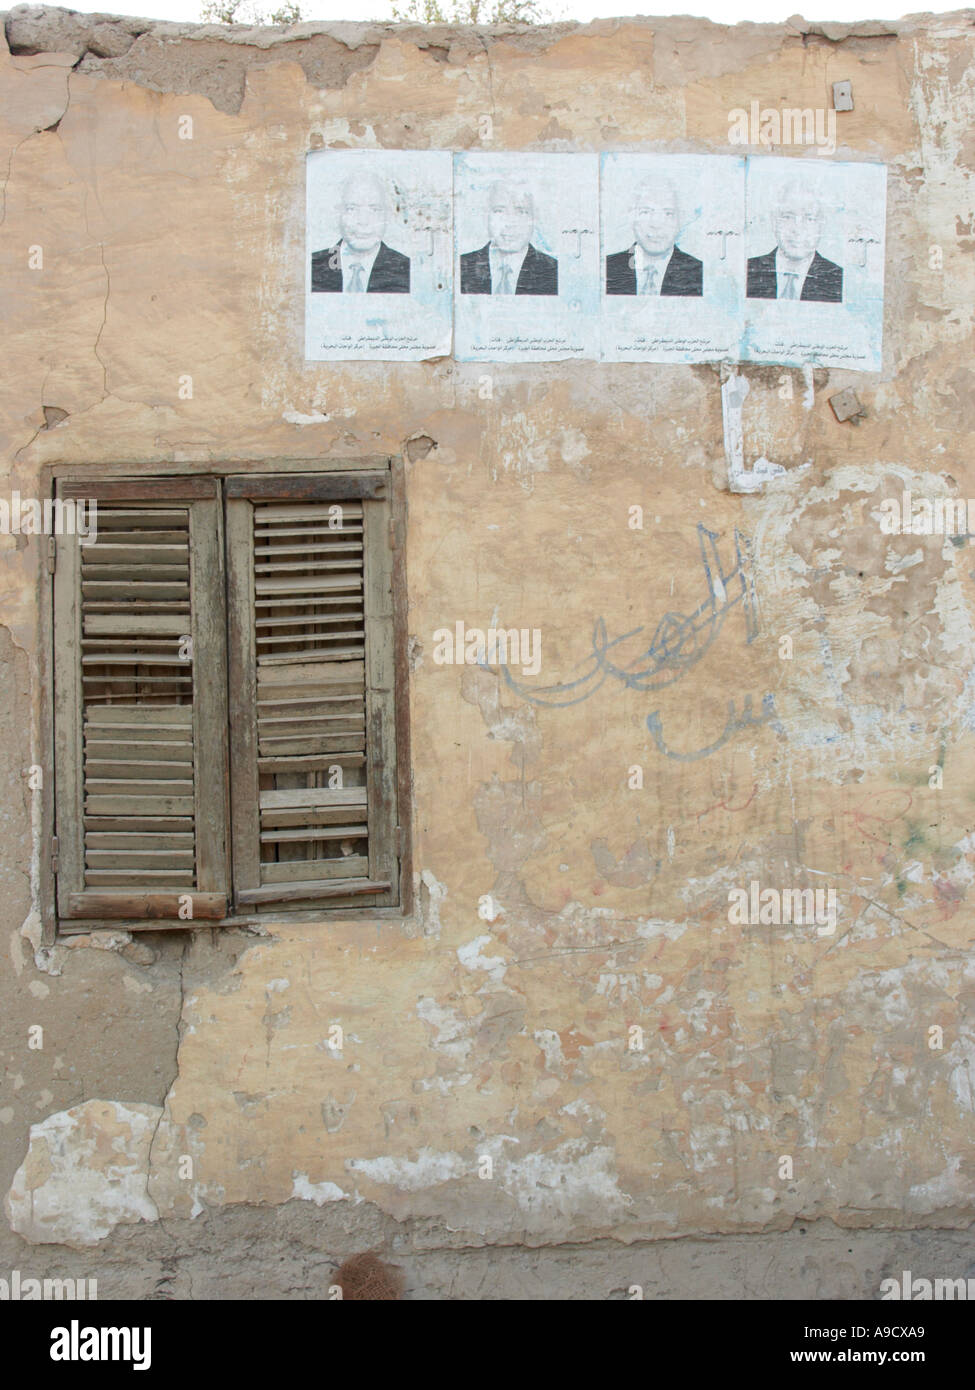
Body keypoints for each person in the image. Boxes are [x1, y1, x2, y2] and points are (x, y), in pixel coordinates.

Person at [311, 172, 411, 294]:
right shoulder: (312, 266)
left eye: (375, 209)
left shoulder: (408, 270)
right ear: (338, 213)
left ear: (388, 215)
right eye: (351, 208)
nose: (363, 221)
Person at [605, 178, 703, 296]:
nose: (656, 224)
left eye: (668, 214)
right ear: (631, 216)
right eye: (646, 212)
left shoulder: (699, 273)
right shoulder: (606, 269)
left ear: (680, 220)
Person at [746, 182, 842, 302]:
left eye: (809, 218)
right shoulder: (748, 271)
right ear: (773, 221)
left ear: (822, 224)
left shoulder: (838, 279)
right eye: (787, 217)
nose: (798, 229)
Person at [461, 182, 558, 295]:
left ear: (535, 218)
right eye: (499, 211)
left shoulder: (554, 272)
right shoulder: (461, 267)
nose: (510, 223)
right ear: (485, 216)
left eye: (521, 212)